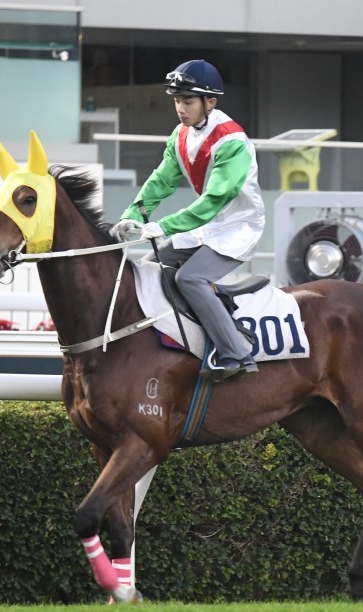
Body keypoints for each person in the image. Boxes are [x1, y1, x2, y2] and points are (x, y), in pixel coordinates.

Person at [110, 59, 265, 381]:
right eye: (177, 100)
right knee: (149, 269)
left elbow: (214, 200)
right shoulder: (180, 135)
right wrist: (132, 214)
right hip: (203, 227)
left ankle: (236, 352)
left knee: (188, 279)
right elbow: (160, 182)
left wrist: (163, 226)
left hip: (238, 227)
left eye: (188, 101)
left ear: (211, 102)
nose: (180, 108)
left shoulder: (231, 140)